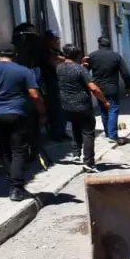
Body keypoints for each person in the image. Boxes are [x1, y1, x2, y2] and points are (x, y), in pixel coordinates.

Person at [0, 44, 46, 201]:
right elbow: (34, 95)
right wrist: (42, 112)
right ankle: (16, 187)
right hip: (17, 114)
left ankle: (12, 181)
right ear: (15, 55)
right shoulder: (23, 71)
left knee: (4, 149)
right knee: (18, 150)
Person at [56, 43, 109, 172]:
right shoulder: (81, 70)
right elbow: (93, 88)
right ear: (78, 55)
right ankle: (89, 162)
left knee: (75, 127)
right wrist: (105, 101)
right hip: (82, 105)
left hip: (67, 105)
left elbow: (68, 66)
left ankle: (75, 153)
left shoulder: (59, 68)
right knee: (88, 133)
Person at [88, 36, 130, 146]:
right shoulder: (116, 56)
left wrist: (89, 84)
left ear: (99, 44)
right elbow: (125, 74)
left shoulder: (92, 56)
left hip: (98, 88)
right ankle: (112, 135)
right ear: (110, 45)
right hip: (112, 88)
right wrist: (128, 86)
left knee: (103, 110)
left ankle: (108, 134)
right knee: (113, 109)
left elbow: (84, 70)